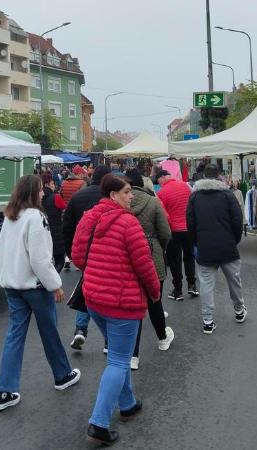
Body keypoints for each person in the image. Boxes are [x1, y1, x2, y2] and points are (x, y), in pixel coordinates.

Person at [71, 174, 161, 445]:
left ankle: (128, 403)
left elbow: (77, 256)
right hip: (122, 302)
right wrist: (155, 293)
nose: (131, 196)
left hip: (94, 299)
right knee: (119, 361)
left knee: (117, 355)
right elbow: (144, 264)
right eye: (125, 192)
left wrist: (99, 272)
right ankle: (98, 423)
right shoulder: (127, 223)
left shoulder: (89, 217)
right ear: (112, 195)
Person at [0, 175, 80, 411]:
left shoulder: (10, 217)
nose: (44, 194)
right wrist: (55, 284)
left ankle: (5, 390)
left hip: (13, 286)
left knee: (14, 336)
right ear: (33, 193)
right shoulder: (36, 218)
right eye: (41, 190)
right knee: (49, 332)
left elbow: (6, 251)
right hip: (35, 287)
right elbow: (40, 258)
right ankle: (62, 375)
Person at [186, 164, 246, 334]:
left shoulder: (195, 196)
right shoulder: (228, 194)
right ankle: (239, 310)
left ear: (204, 176)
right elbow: (237, 220)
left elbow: (190, 223)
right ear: (219, 175)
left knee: (205, 284)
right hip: (228, 246)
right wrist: (234, 240)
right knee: (234, 281)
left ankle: (208, 320)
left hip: (205, 247)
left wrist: (196, 242)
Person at [126, 169, 174, 369]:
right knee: (155, 301)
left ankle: (133, 356)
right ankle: (162, 339)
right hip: (152, 254)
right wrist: (159, 247)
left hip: (129, 256)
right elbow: (166, 232)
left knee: (135, 307)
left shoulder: (122, 203)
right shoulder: (153, 201)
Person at [62, 164, 112, 350]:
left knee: (87, 287)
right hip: (107, 252)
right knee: (106, 294)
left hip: (84, 252)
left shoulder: (78, 196)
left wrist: (71, 253)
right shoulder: (111, 198)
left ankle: (80, 329)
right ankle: (108, 339)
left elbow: (66, 227)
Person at [156, 169, 198, 301]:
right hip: (188, 228)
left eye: (159, 181)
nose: (160, 184)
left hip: (173, 230)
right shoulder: (186, 186)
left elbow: (163, 214)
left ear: (163, 177)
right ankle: (192, 285)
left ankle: (178, 290)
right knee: (189, 257)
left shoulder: (161, 193)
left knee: (175, 260)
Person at [41, 172, 67, 272]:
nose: (54, 185)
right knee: (59, 260)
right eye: (52, 183)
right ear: (47, 184)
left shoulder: (37, 198)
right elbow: (65, 211)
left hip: (43, 231)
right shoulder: (56, 197)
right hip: (56, 232)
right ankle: (52, 280)